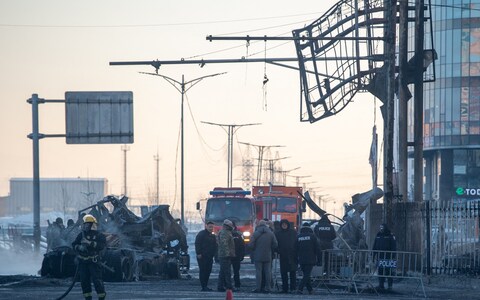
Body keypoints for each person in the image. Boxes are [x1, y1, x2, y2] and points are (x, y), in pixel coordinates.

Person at [72, 214, 107, 300]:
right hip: (83, 262)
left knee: (97, 281)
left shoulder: (99, 235)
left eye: (87, 224)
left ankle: (101, 297)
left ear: (92, 225)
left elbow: (101, 246)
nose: (85, 226)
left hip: (94, 262)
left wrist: (89, 243)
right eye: (84, 224)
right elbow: (74, 244)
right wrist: (79, 247)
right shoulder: (81, 235)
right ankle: (88, 298)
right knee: (84, 281)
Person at [250, 219, 278, 293]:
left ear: (259, 225)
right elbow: (275, 244)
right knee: (268, 272)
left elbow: (251, 245)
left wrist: (254, 249)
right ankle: (268, 288)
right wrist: (270, 249)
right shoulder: (271, 233)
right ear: (266, 225)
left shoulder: (255, 233)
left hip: (258, 255)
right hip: (268, 255)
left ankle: (258, 288)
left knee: (258, 272)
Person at [275, 219, 297, 293]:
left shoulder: (293, 232)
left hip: (292, 255)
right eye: (283, 224)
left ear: (288, 225)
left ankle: (293, 288)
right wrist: (278, 251)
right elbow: (275, 244)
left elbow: (296, 242)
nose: (284, 226)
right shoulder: (278, 233)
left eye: (285, 224)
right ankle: (285, 288)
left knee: (292, 273)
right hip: (283, 255)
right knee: (284, 273)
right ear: (281, 225)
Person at [296, 222, 319, 295]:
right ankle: (300, 288)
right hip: (310, 258)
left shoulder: (298, 237)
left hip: (301, 259)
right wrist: (319, 259)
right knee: (307, 275)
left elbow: (295, 248)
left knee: (306, 275)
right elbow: (317, 249)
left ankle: (310, 290)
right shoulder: (313, 237)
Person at [372, 223, 397, 291]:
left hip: (388, 257)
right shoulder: (378, 235)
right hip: (380, 256)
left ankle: (390, 286)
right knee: (380, 271)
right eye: (380, 227)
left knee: (388, 271)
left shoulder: (390, 235)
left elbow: (393, 246)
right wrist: (373, 255)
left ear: (385, 228)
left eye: (382, 227)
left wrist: (393, 255)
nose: (381, 229)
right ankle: (381, 285)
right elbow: (375, 245)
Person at [195, 221, 217, 291]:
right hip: (202, 256)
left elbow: (215, 246)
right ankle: (203, 286)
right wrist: (198, 253)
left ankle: (206, 286)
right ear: (206, 226)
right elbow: (197, 244)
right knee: (203, 271)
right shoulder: (201, 234)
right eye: (210, 227)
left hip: (209, 256)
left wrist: (215, 254)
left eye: (212, 227)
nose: (211, 228)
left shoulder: (212, 236)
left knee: (208, 271)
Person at [217, 219, 236, 292]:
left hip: (223, 254)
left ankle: (220, 286)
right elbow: (224, 244)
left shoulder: (225, 232)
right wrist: (228, 254)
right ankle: (229, 286)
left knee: (222, 271)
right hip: (225, 255)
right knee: (227, 272)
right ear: (227, 226)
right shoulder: (225, 233)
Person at [231, 221, 245, 288]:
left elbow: (242, 245)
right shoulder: (225, 234)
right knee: (227, 271)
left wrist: (242, 255)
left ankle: (237, 284)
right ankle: (228, 284)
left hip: (236, 255)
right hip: (230, 255)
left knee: (236, 271)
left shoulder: (238, 234)